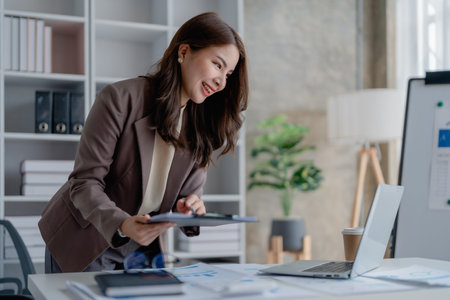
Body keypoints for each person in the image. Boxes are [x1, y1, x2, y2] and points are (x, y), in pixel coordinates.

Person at [38, 12, 248, 273]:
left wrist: (190, 206)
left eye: (228, 74)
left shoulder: (200, 125)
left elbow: (189, 195)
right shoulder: (120, 98)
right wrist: (123, 224)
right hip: (85, 238)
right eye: (217, 65)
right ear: (184, 51)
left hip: (140, 249)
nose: (221, 82)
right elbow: (84, 183)